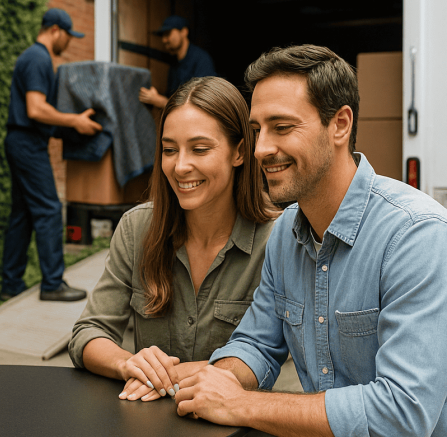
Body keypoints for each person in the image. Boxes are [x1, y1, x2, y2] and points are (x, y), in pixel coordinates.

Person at [174, 45, 447, 437]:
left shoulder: (416, 235)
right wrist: (208, 381)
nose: (262, 149)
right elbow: (257, 345)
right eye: (256, 131)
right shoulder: (286, 232)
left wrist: (241, 403)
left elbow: (402, 414)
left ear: (340, 124)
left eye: (282, 128)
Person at [69, 76, 277, 402]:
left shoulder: (276, 242)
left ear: (239, 152)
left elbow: (262, 357)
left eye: (199, 149)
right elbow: (88, 332)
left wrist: (166, 376)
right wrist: (129, 364)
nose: (180, 166)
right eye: (169, 150)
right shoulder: (137, 228)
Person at [1, 8, 102, 302]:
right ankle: (52, 284)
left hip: (22, 140)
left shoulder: (34, 57)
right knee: (48, 209)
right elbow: (36, 108)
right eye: (69, 36)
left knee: (22, 214)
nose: (69, 42)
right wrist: (75, 121)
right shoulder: (38, 58)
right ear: (56, 30)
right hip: (27, 143)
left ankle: (11, 283)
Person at [120, 15, 216, 110]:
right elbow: (174, 99)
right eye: (163, 35)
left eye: (168, 34)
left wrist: (161, 102)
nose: (164, 40)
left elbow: (201, 105)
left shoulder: (201, 59)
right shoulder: (175, 64)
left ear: (184, 32)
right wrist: (155, 98)